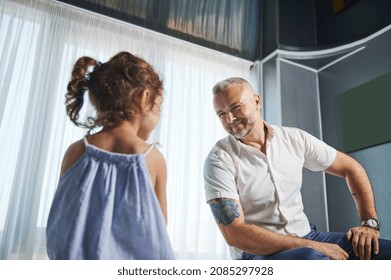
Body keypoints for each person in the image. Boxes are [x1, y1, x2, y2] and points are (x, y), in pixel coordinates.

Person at [203, 77, 391, 260]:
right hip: (258, 252)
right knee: (311, 259)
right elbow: (235, 234)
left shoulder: (294, 139)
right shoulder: (219, 160)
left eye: (236, 107)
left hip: (308, 236)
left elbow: (351, 167)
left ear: (257, 101)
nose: (230, 118)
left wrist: (369, 223)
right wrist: (310, 246)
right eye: (221, 114)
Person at [46, 51, 175, 260]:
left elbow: (61, 219)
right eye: (158, 106)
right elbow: (159, 225)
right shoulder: (152, 158)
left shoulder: (77, 150)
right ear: (144, 98)